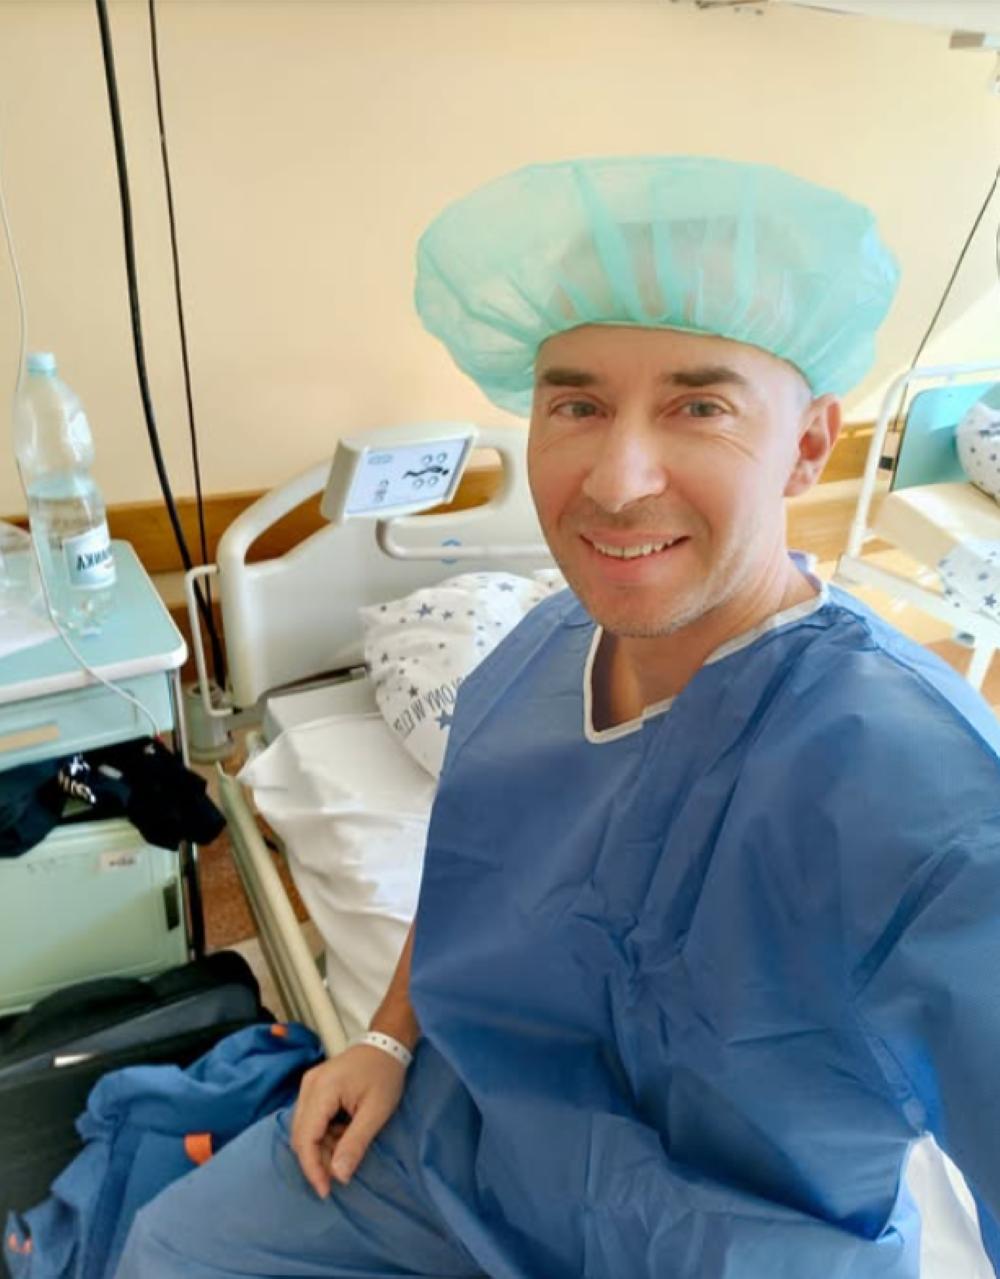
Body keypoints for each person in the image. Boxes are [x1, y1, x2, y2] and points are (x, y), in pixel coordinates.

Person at [115, 157, 1000, 1279]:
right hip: (465, 1154)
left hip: (724, 1250)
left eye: (700, 406)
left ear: (810, 446)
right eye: (576, 404)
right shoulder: (535, 655)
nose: (618, 481)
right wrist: (386, 1035)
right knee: (170, 1248)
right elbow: (468, 877)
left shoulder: (929, 797)